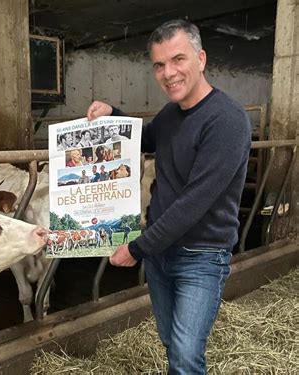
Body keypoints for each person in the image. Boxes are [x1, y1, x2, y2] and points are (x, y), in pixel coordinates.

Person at [86, 19, 251, 374]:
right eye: (159, 65)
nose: (168, 73)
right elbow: (146, 139)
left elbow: (194, 202)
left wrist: (136, 248)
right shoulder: (172, 113)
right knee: (171, 341)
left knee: (186, 355)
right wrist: (112, 115)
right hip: (162, 252)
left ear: (201, 58)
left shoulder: (227, 120)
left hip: (201, 256)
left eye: (178, 59)